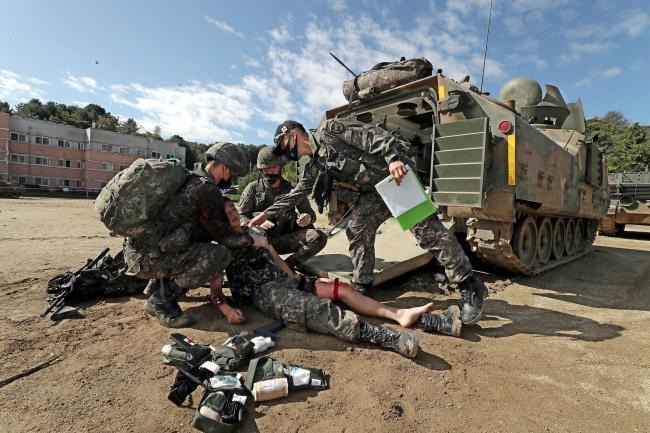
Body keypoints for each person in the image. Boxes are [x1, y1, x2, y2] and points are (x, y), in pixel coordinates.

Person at [247, 119, 487, 326]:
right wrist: (266, 214)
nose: (285, 154)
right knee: (357, 228)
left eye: (283, 146)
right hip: (373, 194)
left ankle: (468, 284)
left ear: (292, 135)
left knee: (428, 232)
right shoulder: (314, 165)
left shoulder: (331, 130)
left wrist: (393, 158)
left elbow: (373, 136)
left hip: (395, 177)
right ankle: (363, 287)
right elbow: (296, 194)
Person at [210, 199, 463, 359]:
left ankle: (406, 317)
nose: (233, 214)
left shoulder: (252, 231)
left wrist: (295, 278)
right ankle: (386, 337)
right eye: (227, 212)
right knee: (315, 309)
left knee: (344, 291)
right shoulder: (222, 244)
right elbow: (216, 284)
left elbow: (275, 257)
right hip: (262, 291)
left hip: (285, 280)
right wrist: (225, 308)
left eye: (233, 209)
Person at [123, 143, 268, 328]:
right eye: (233, 173)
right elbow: (227, 239)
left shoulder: (189, 178)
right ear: (225, 167)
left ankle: (156, 285)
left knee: (200, 236)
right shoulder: (205, 189)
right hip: (147, 258)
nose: (231, 178)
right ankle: (161, 299)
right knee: (219, 254)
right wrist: (254, 240)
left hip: (140, 250)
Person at [238, 147, 327, 268]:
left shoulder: (292, 189)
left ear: (280, 167)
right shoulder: (252, 188)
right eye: (266, 168)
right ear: (260, 169)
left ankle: (286, 266)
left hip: (285, 240)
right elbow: (241, 216)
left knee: (318, 237)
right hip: (260, 241)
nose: (269, 172)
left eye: (273, 167)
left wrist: (307, 218)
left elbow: (311, 214)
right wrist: (254, 224)